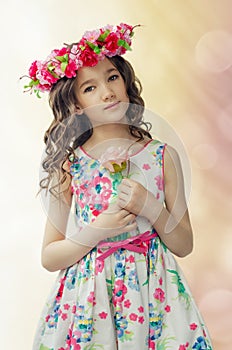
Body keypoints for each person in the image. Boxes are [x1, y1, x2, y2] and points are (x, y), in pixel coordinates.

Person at [25, 23, 213, 349]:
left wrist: (150, 207)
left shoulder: (161, 156)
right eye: (90, 88)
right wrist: (96, 229)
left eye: (112, 77)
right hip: (89, 300)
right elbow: (50, 256)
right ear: (76, 106)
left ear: (126, 82)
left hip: (155, 295)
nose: (107, 92)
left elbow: (183, 244)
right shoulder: (70, 166)